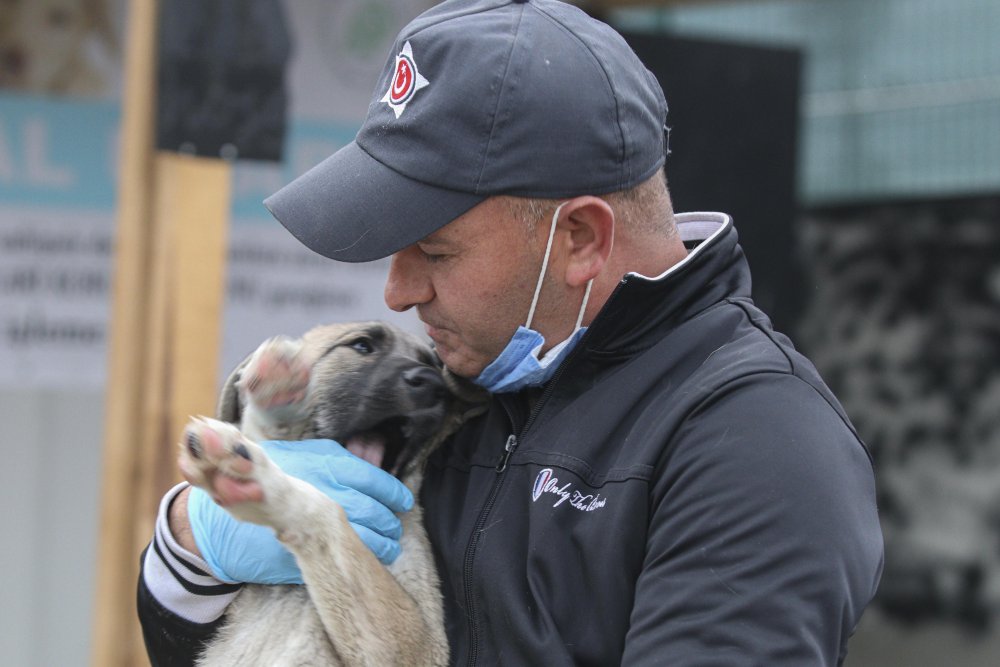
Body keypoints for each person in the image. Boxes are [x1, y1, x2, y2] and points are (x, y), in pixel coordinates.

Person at [137, 0, 884, 664]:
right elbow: (224, 639)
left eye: (434, 250)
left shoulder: (753, 444)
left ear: (581, 238)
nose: (397, 293)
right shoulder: (455, 387)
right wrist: (191, 545)